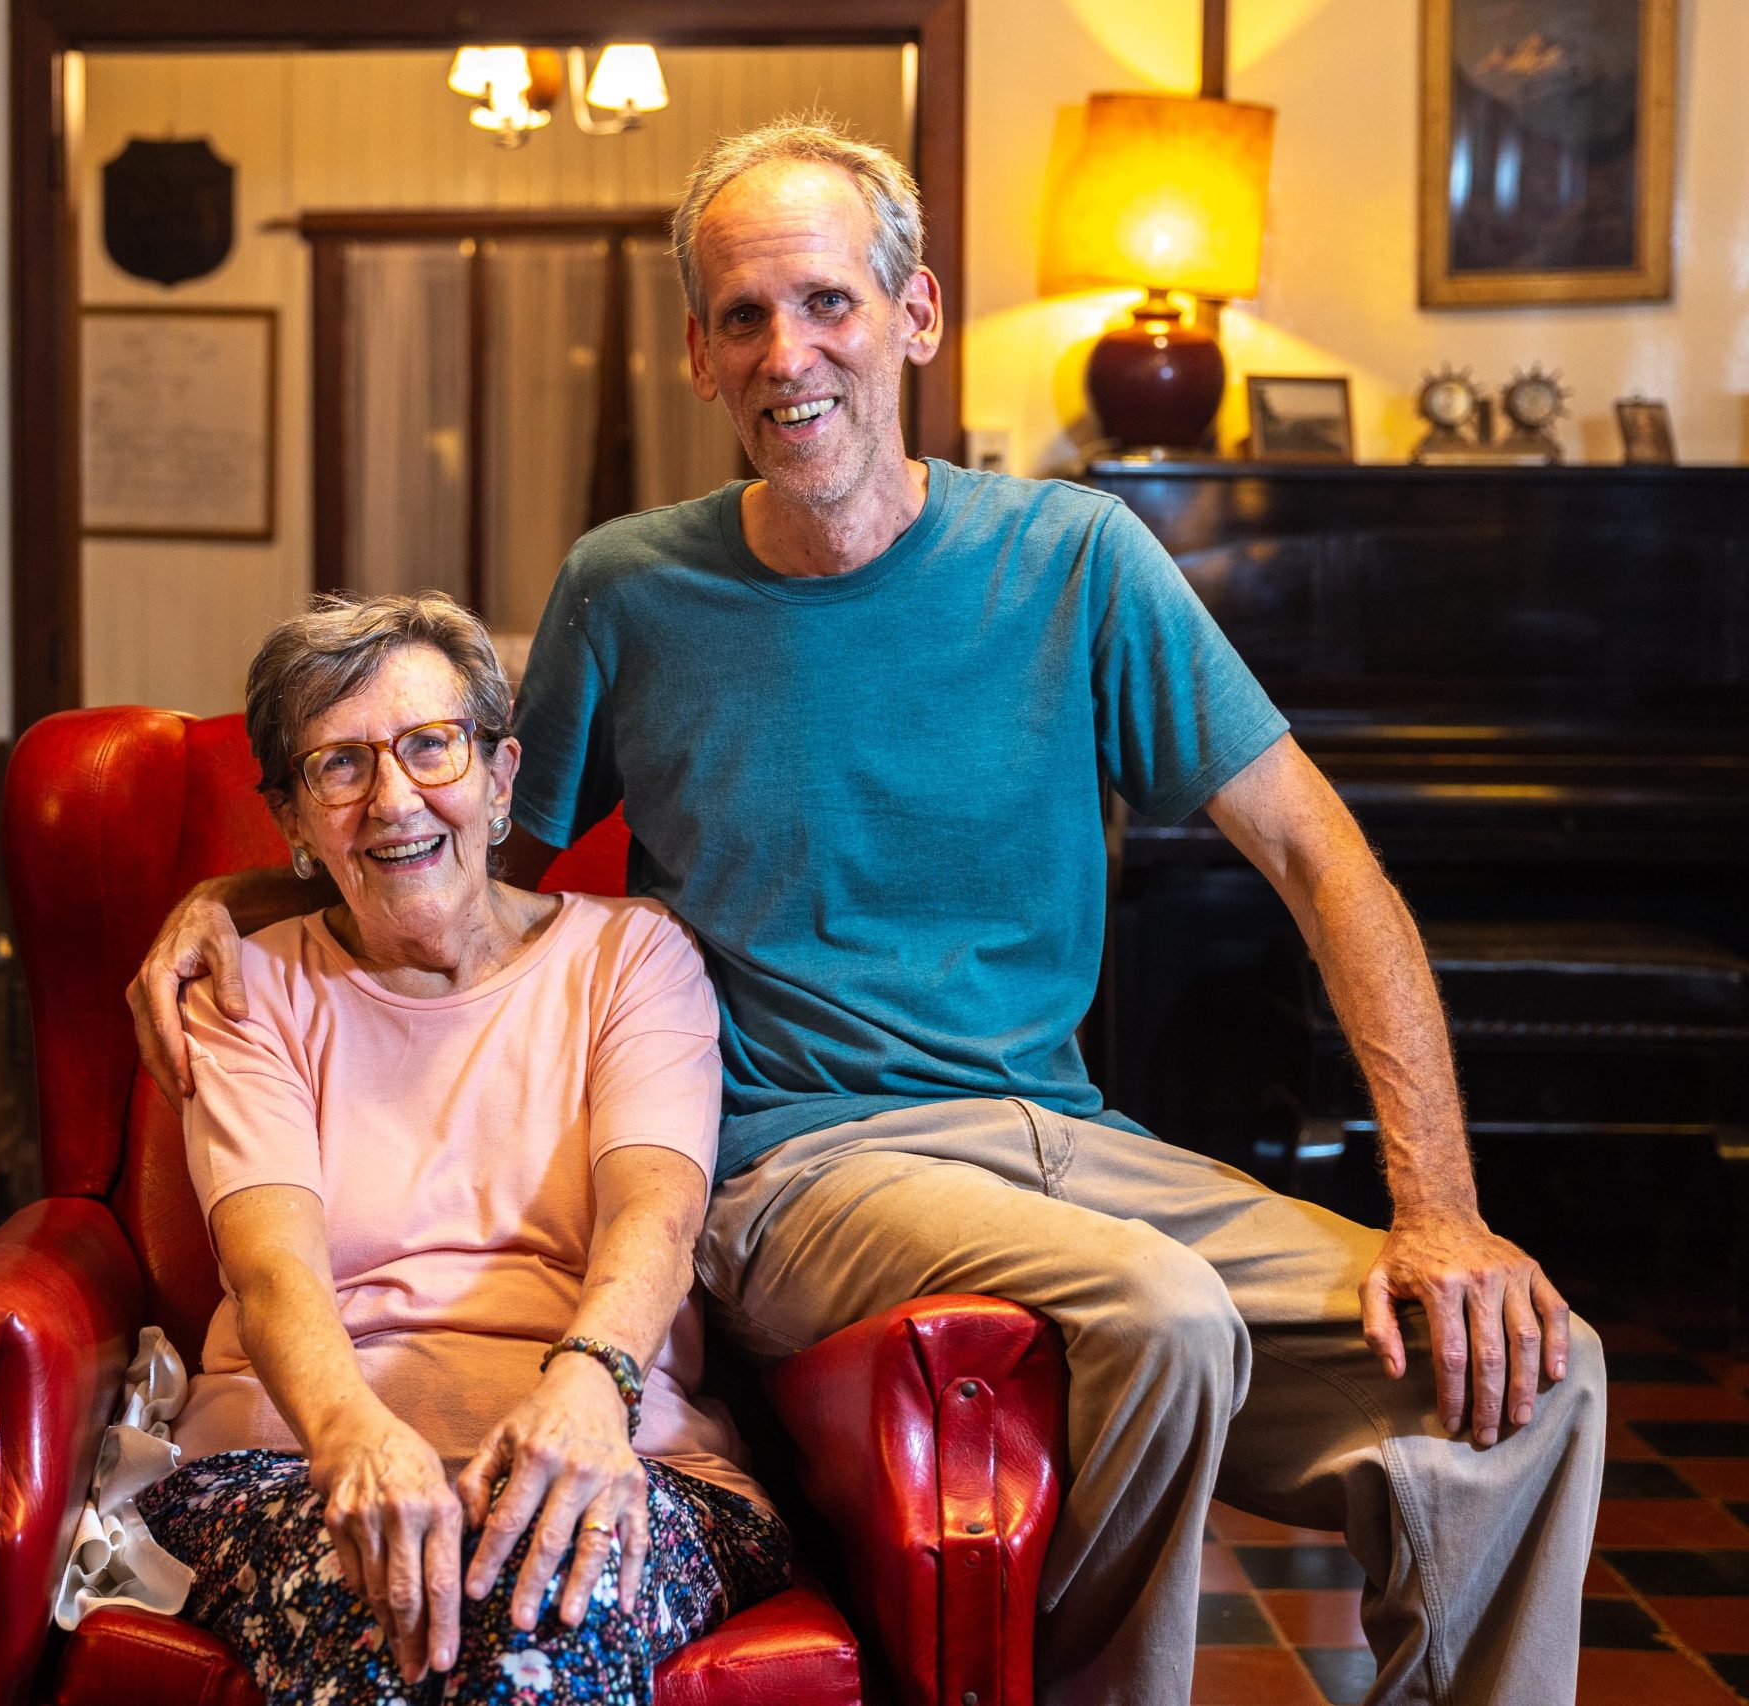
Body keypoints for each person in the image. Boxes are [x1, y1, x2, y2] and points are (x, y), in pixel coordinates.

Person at [130, 118, 1606, 1706]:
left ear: (918, 314)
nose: (791, 354)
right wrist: (227, 888)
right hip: (797, 1168)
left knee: (1531, 1379)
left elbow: (1329, 862)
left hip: (1067, 1140)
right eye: (747, 319)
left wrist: (1439, 1211)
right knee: (1157, 1313)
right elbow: (464, 864)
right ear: (698, 355)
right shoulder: (628, 585)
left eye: (828, 302)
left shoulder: (1077, 557)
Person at [132, 592, 791, 1705]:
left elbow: (655, 1213)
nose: (394, 798)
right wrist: (350, 1438)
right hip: (288, 1458)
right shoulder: (247, 989)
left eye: (431, 745)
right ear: (291, 821)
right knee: (371, 1602)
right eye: (338, 766)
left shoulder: (633, 959)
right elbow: (269, 1262)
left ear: (500, 776)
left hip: (627, 1452)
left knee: (546, 1610)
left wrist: (592, 1387)